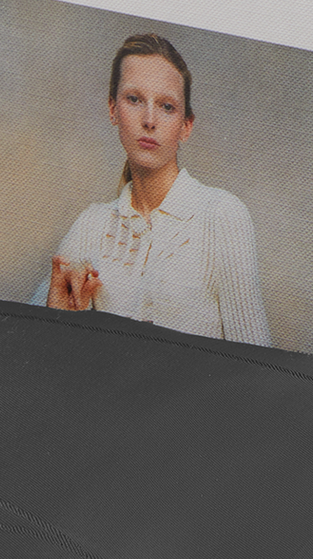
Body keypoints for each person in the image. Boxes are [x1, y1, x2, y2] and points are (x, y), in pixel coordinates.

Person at [40, 33, 272, 345]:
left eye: (167, 106)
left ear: (186, 126)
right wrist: (59, 322)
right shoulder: (92, 224)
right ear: (112, 109)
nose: (149, 120)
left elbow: (255, 358)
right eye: (134, 100)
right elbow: (28, 342)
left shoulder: (222, 215)